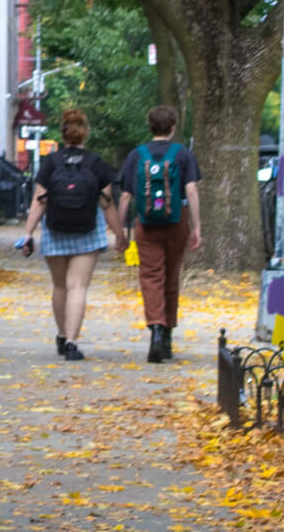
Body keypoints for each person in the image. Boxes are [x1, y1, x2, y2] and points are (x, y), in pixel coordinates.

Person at [17, 108, 120, 361]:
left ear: (64, 134)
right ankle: (73, 342)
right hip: (88, 231)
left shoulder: (51, 163)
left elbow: (39, 201)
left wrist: (28, 233)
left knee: (60, 285)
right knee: (78, 286)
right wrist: (120, 234)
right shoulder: (96, 163)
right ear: (86, 133)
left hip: (55, 228)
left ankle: (62, 335)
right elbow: (107, 204)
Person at [117, 105, 203, 361]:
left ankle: (155, 326)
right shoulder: (183, 154)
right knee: (171, 276)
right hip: (177, 222)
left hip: (146, 224)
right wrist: (197, 227)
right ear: (173, 127)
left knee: (151, 276)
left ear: (150, 126)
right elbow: (191, 191)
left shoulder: (137, 155)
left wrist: (121, 230)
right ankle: (167, 336)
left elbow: (125, 195)